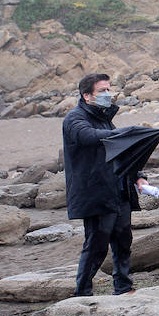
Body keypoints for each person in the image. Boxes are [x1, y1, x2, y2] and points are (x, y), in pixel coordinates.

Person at [63, 72, 139, 297]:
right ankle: (83, 291)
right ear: (87, 96)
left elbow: (120, 153)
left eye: (109, 90)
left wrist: (138, 175)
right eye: (102, 91)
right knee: (96, 246)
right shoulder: (75, 118)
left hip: (118, 189)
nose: (108, 94)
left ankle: (123, 286)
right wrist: (122, 134)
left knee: (123, 241)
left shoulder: (106, 118)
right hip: (95, 192)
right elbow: (87, 136)